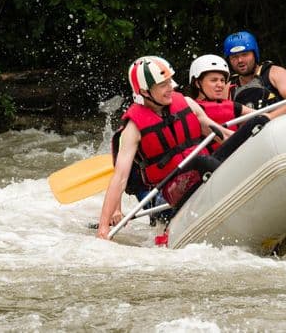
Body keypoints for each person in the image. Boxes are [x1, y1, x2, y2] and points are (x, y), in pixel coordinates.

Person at [97, 56, 262, 240]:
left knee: (257, 122)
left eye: (169, 81)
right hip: (168, 192)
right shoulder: (133, 129)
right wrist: (104, 227)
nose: (171, 88)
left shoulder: (187, 103)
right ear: (144, 91)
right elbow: (119, 178)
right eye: (163, 85)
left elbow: (223, 135)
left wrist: (254, 139)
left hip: (202, 171)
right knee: (202, 161)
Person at [223, 30, 286, 111]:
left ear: (255, 54)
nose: (240, 60)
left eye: (244, 54)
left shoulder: (275, 73)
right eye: (234, 57)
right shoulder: (228, 88)